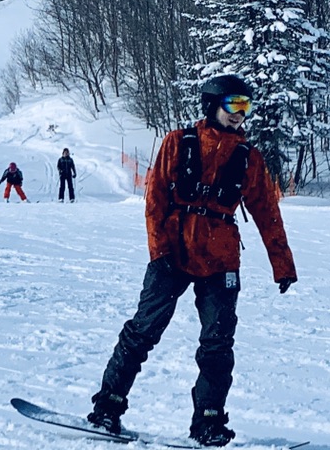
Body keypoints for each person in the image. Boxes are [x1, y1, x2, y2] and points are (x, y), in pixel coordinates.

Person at [87, 73, 297, 448]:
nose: (239, 114)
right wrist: (160, 253)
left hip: (220, 260)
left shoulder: (249, 158)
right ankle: (108, 406)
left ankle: (209, 422)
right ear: (212, 104)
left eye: (245, 107)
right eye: (233, 105)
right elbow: (154, 202)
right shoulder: (178, 143)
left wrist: (282, 265)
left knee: (218, 343)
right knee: (142, 332)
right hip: (174, 253)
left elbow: (268, 213)